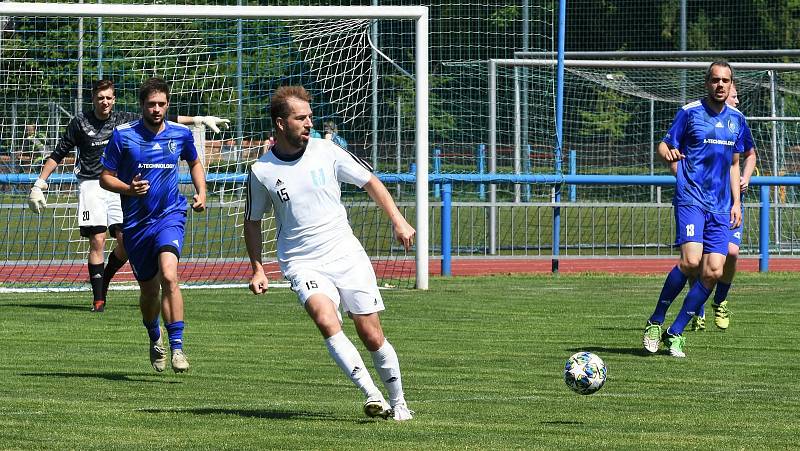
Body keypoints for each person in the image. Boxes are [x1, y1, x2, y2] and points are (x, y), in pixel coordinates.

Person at [243, 85, 415, 420]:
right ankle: (371, 394)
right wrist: (258, 268)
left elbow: (370, 182)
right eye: (300, 117)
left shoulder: (328, 151)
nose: (309, 123)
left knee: (371, 334)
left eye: (310, 116)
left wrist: (398, 221)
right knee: (325, 319)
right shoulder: (261, 171)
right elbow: (252, 221)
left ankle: (399, 403)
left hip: (345, 253)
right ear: (281, 123)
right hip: (301, 261)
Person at [28, 79, 228, 313]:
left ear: (114, 99)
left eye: (109, 97)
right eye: (100, 97)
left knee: (125, 243)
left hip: (121, 184)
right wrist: (40, 183)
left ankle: (107, 277)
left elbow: (162, 117)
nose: (105, 101)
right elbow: (59, 152)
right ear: (93, 99)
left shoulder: (123, 121)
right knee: (98, 239)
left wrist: (198, 120)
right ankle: (98, 298)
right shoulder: (80, 123)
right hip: (91, 185)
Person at [99, 77, 206, 373]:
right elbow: (105, 177)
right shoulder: (123, 136)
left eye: (161, 104)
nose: (156, 109)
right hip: (135, 225)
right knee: (149, 292)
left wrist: (201, 190)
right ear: (141, 106)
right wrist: (129, 189)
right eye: (151, 104)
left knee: (170, 276)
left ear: (168, 104)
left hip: (170, 215)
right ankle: (153, 336)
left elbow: (195, 162)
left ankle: (178, 347)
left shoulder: (180, 135)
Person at [642, 61, 746, 358]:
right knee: (690, 262)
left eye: (725, 80)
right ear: (707, 83)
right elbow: (663, 146)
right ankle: (655, 321)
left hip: (721, 206)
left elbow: (735, 162)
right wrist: (669, 155)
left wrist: (736, 203)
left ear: (730, 83)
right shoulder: (689, 113)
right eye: (715, 80)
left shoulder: (737, 120)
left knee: (713, 270)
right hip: (691, 198)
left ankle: (675, 333)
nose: (721, 85)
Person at [690, 82, 757, 331]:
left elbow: (749, 154)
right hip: (700, 200)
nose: (737, 101)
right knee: (697, 261)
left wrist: (746, 177)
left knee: (731, 252)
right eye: (734, 96)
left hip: (729, 202)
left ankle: (720, 300)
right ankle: (696, 308)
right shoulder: (697, 117)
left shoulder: (737, 121)